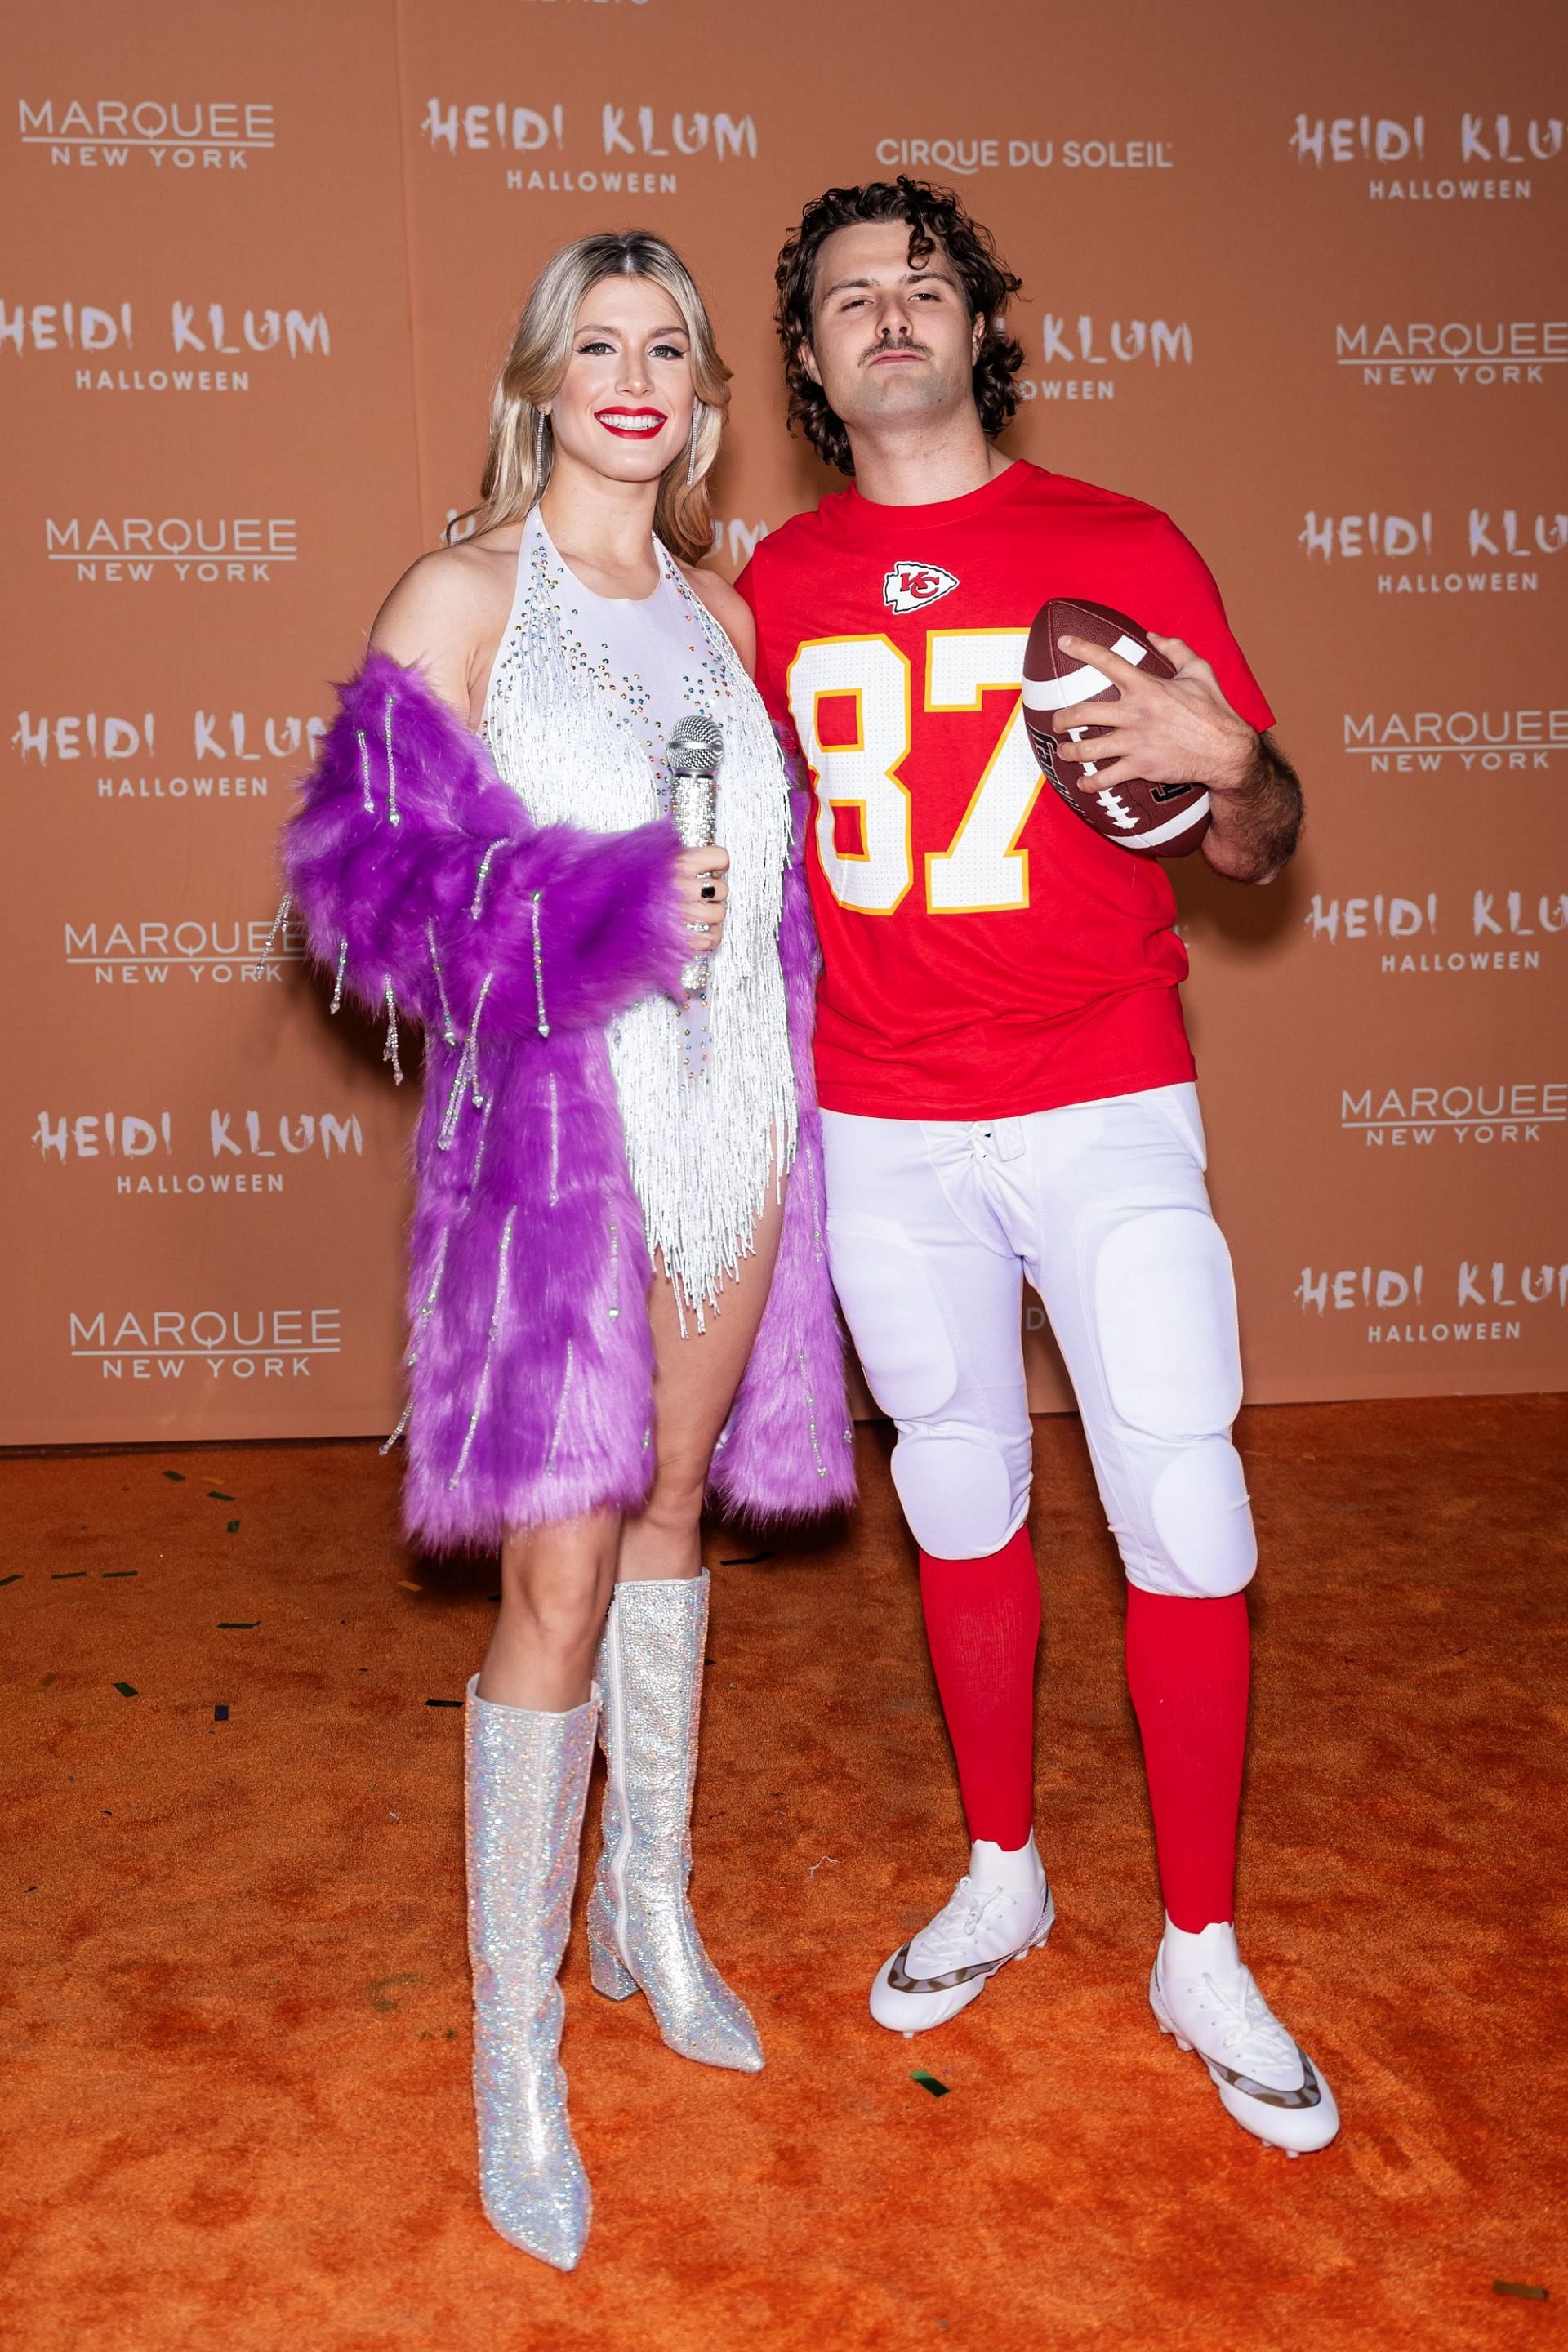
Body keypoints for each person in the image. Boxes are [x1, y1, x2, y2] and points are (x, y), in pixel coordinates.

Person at [735, 178, 1338, 2158]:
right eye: (848, 300)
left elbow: (1256, 838)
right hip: (881, 1110)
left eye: (924, 287)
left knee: (1186, 1485)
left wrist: (1239, 762)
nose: (889, 316)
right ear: (811, 362)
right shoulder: (769, 589)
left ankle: (1203, 1940)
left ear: (980, 326)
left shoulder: (1120, 542)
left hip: (1099, 1089)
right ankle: (1005, 1865)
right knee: (965, 1488)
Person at [283, 229, 853, 2270]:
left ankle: (648, 1914)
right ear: (540, 380)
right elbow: (366, 889)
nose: (636, 375)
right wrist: (606, 913)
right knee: (559, 1562)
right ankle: (514, 2057)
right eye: (597, 344)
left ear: (707, 397)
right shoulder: (460, 593)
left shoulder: (721, 612)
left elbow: (780, 900)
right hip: (556, 1139)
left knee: (681, 1498)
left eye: (670, 349)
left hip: (737, 1125)